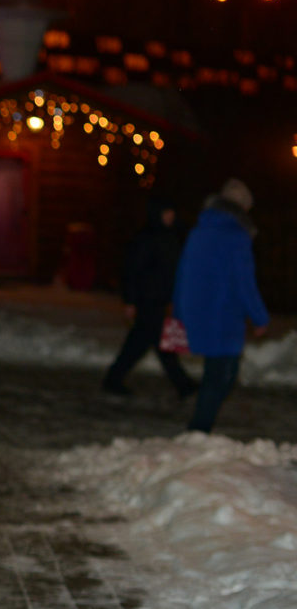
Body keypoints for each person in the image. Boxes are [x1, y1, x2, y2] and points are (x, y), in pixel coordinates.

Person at [173, 178, 269, 433]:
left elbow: (182, 273)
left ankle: (199, 430)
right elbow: (244, 282)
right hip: (224, 316)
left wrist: (180, 311)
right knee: (221, 378)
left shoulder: (198, 231)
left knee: (215, 374)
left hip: (199, 311)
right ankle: (198, 431)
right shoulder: (237, 236)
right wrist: (259, 317)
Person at [102, 196, 195, 400]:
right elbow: (132, 271)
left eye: (172, 212)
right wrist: (130, 300)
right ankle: (182, 383)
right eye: (167, 212)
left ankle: (114, 378)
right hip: (148, 299)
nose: (171, 216)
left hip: (161, 298)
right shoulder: (146, 238)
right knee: (152, 342)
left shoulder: (171, 236)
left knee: (143, 342)